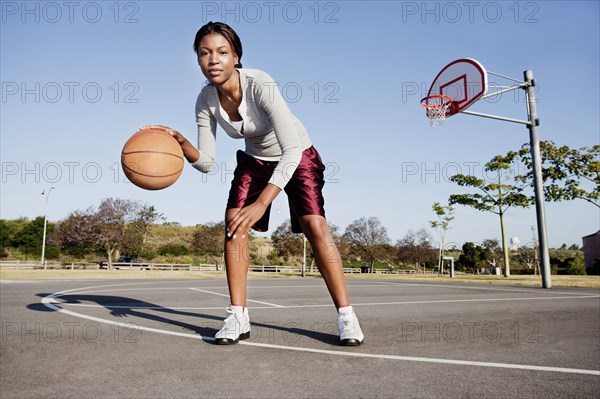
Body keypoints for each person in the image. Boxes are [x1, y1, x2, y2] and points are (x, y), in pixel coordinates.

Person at [145, 21, 363, 346]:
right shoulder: (205, 100)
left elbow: (290, 150)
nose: (213, 60)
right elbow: (205, 162)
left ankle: (347, 317)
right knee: (234, 225)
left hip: (297, 155)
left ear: (236, 56)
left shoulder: (260, 83)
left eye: (221, 52)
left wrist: (261, 204)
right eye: (204, 53)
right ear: (198, 61)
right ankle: (237, 316)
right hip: (255, 160)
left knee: (314, 225)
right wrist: (180, 142)